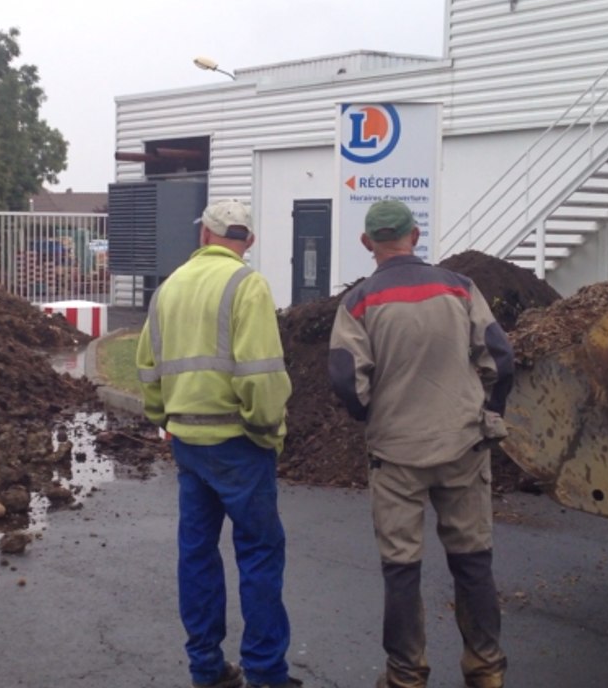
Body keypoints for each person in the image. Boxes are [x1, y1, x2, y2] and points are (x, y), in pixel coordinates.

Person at [328, 200, 514, 688]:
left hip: (396, 453)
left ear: (368, 244)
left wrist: (373, 413)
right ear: (415, 235)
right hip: (463, 444)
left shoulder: (359, 302)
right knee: (473, 560)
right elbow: (500, 355)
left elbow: (347, 379)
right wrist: (489, 411)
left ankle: (406, 675)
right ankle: (486, 668)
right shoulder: (459, 287)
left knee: (401, 566)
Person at [137, 198, 302, 688]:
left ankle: (206, 667)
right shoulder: (246, 285)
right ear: (246, 242)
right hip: (239, 443)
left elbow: (148, 367)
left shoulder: (168, 289)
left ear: (204, 236)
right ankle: (267, 673)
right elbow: (262, 376)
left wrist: (161, 419)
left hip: (187, 439)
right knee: (258, 553)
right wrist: (269, 433)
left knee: (197, 552)